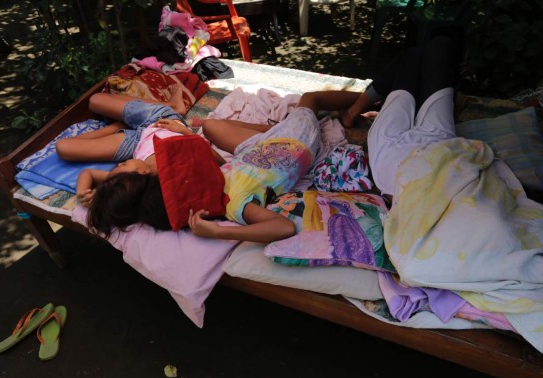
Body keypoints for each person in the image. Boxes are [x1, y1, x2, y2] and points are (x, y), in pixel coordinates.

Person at [87, 90, 362, 243]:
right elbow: (283, 227)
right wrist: (219, 231)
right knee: (310, 99)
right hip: (295, 144)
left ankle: (290, 120)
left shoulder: (208, 181)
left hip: (253, 153)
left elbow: (215, 160)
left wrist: (188, 136)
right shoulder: (234, 203)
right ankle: (365, 100)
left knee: (210, 128)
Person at [56, 86, 224, 207]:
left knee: (64, 148)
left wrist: (83, 194)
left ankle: (115, 126)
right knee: (95, 100)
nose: (119, 164)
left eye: (120, 165)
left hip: (136, 143)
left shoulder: (127, 181)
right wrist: (184, 131)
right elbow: (219, 161)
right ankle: (173, 106)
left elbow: (88, 173)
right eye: (123, 165)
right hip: (162, 121)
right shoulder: (172, 167)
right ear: (143, 171)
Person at [352, 35, 460, 204]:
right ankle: (356, 109)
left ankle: (354, 110)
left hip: (390, 156)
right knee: (440, 45)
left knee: (413, 56)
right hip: (436, 147)